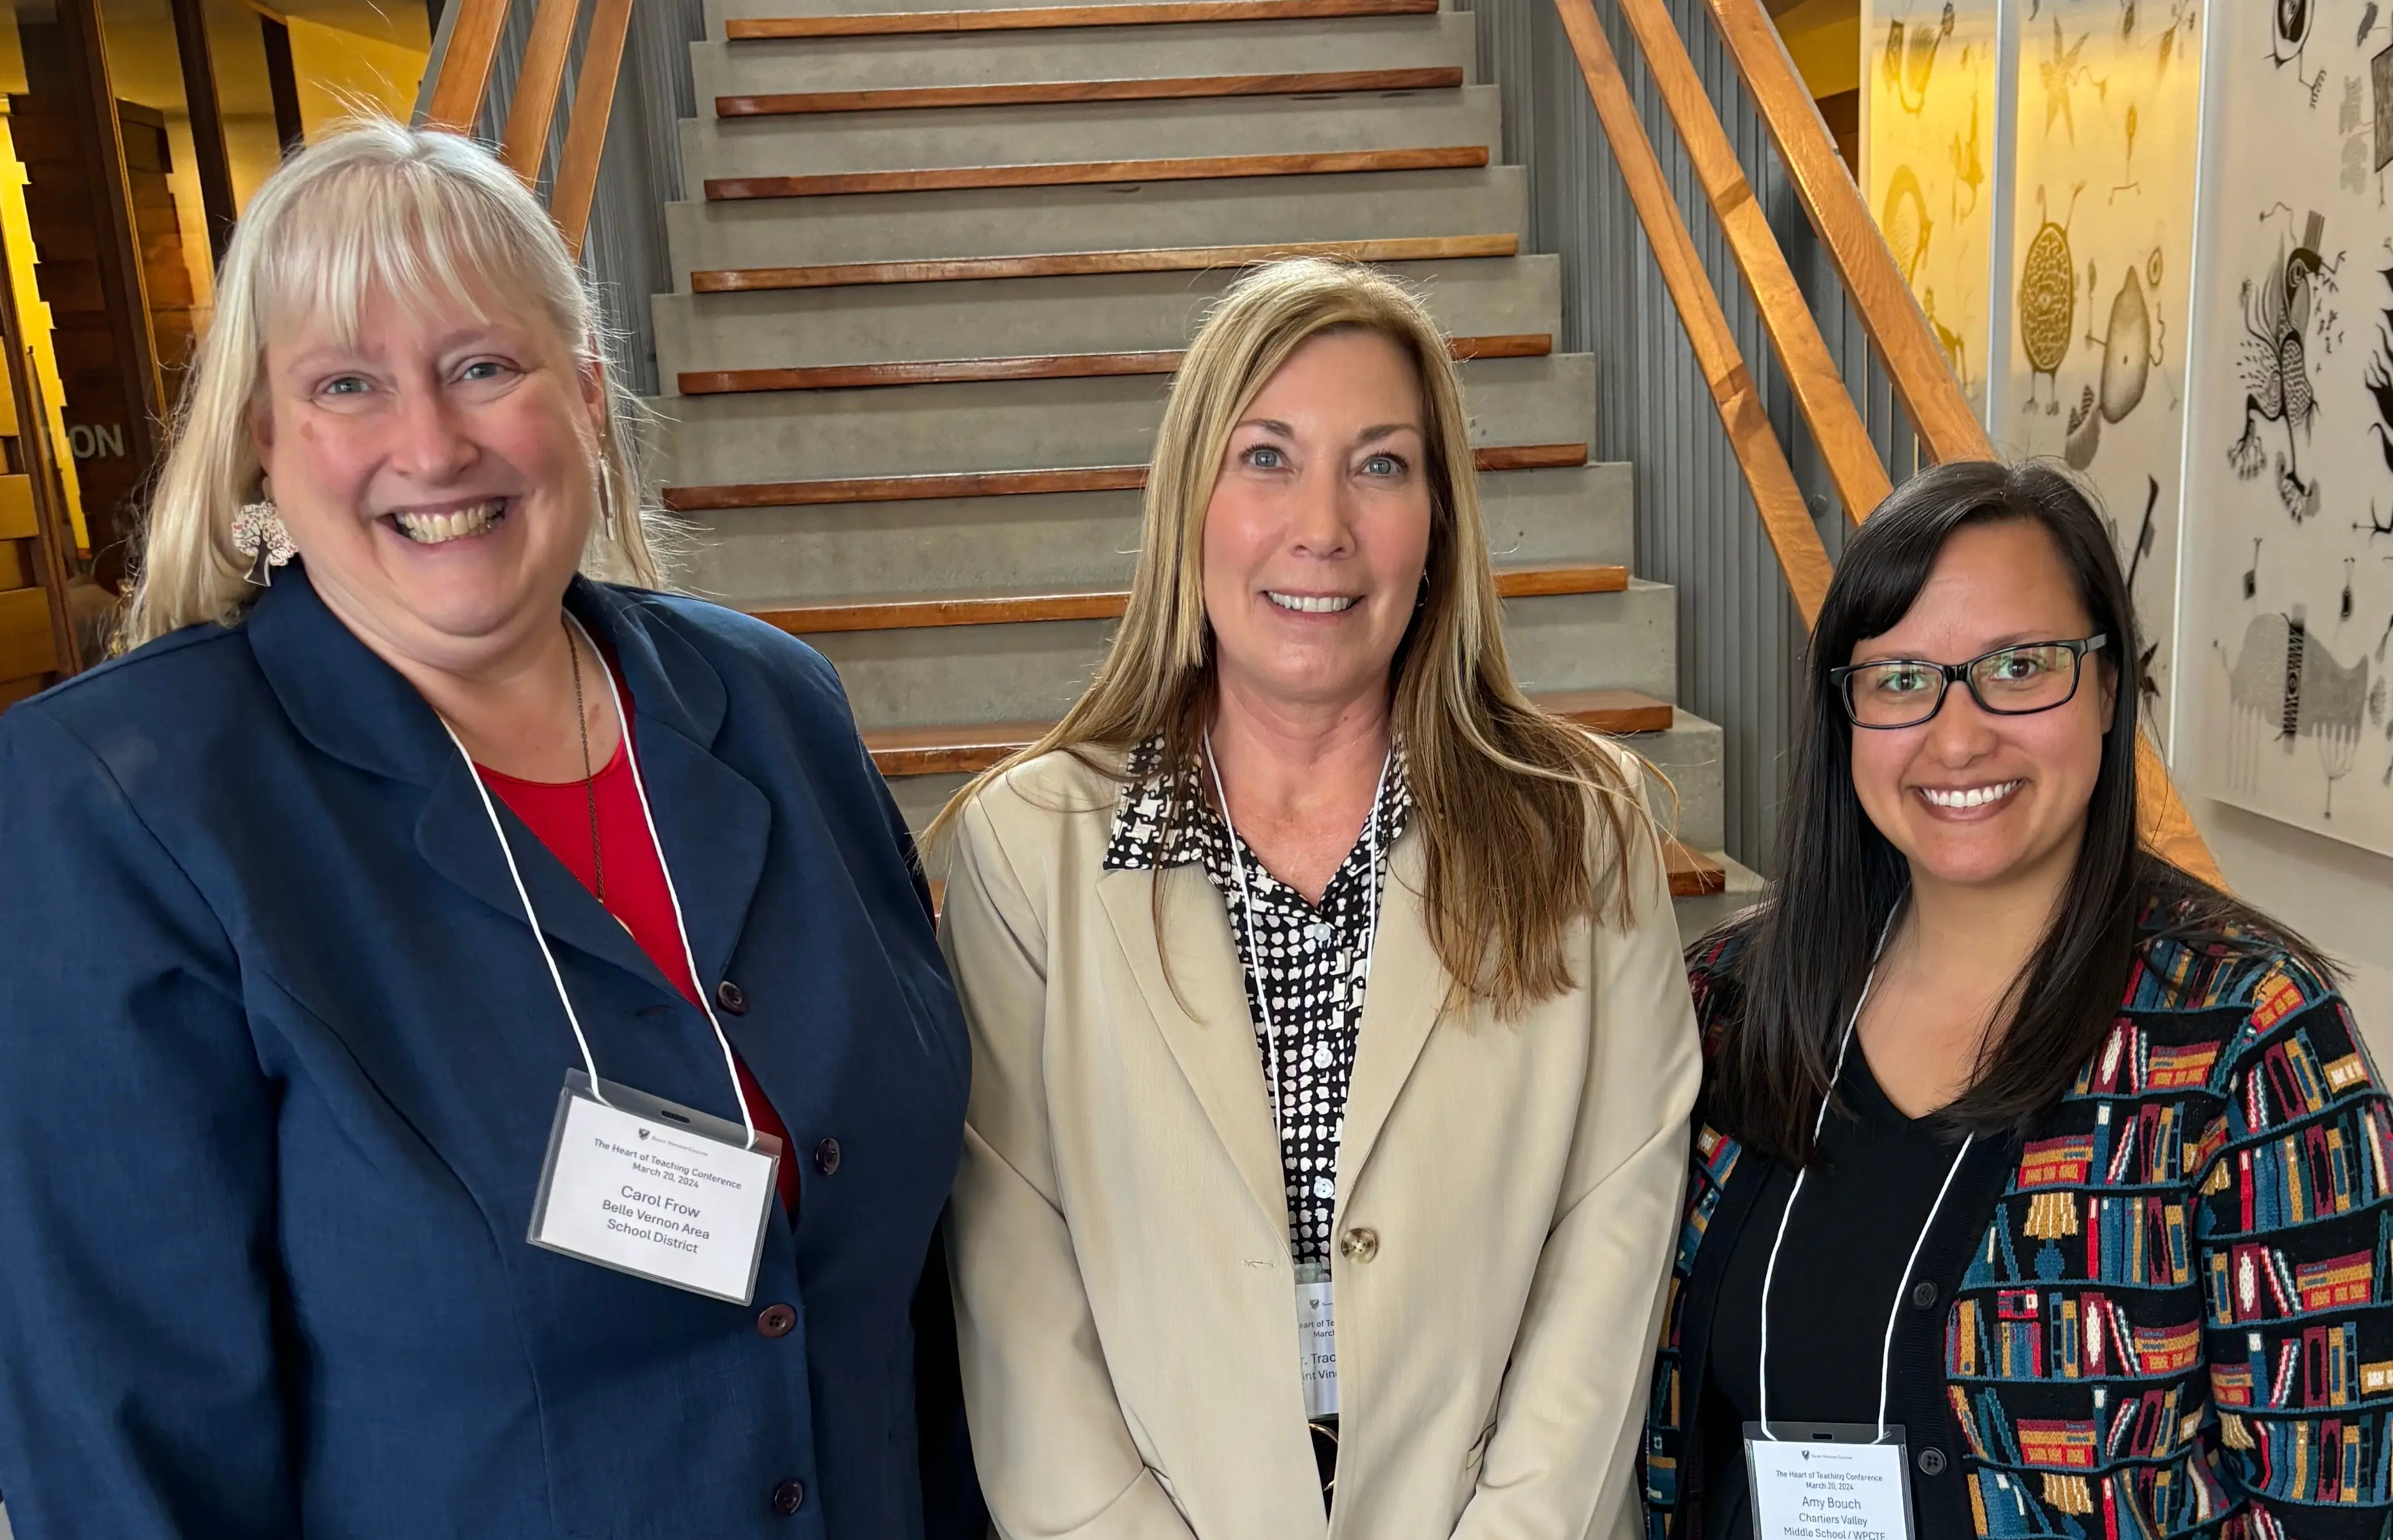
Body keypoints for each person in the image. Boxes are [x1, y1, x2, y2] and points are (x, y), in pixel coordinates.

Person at [0, 120, 973, 1538]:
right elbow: (128, 1451)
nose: (431, 442)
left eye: (482, 367)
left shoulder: (773, 702)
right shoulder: (123, 804)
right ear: (268, 441)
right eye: (347, 383)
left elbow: (925, 1289)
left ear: (582, 393)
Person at [932, 256, 1699, 1538]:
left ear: (1443, 519)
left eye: (1383, 464)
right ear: (1192, 501)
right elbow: (1016, 1280)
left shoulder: (1583, 827)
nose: (1324, 527)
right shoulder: (1028, 845)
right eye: (1267, 457)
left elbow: (1611, 1243)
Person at [1641, 459, 2393, 1540]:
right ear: (1845, 712)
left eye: (2020, 666)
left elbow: (2334, 1504)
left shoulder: (2250, 1043)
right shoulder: (1731, 1007)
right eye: (1901, 677)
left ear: (2108, 686)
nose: (1957, 736)